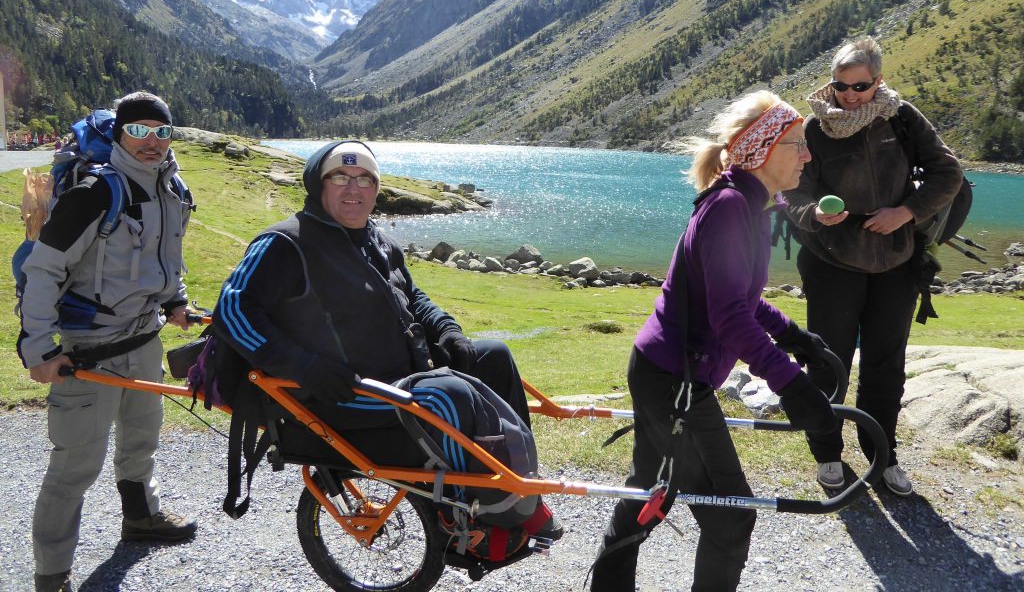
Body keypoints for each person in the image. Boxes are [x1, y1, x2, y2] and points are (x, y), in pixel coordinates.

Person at [211, 139, 560, 537]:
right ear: (318, 184)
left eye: (365, 179)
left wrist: (446, 329)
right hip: (341, 395)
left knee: (493, 356)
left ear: (377, 189)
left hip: (398, 380)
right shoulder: (285, 244)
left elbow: (411, 297)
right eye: (340, 176)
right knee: (449, 394)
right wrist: (303, 366)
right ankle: (459, 514)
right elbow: (232, 311)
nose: (353, 188)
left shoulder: (379, 240)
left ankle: (519, 490)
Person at [590, 91, 837, 591]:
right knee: (726, 515)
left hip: (668, 371)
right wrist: (792, 383)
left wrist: (796, 337)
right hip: (675, 380)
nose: (807, 155)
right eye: (798, 144)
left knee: (650, 491)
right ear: (764, 150)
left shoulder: (747, 205)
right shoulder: (729, 209)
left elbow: (739, 299)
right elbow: (729, 318)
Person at [17, 92, 199, 592]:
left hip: (144, 340)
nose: (151, 142)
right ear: (119, 133)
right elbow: (44, 268)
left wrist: (175, 303)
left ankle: (141, 519)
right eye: (139, 131)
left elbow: (169, 258)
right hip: (86, 349)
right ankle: (51, 577)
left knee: (141, 443)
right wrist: (37, 346)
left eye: (161, 132)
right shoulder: (96, 192)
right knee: (74, 467)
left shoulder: (174, 189)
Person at [784, 37, 963, 496]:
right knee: (828, 360)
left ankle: (883, 456)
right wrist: (816, 216)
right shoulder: (814, 129)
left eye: (860, 86)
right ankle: (827, 455)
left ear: (878, 80)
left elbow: (947, 172)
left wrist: (906, 212)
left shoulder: (901, 118)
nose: (850, 95)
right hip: (831, 261)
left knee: (887, 365)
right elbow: (792, 191)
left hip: (898, 262)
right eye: (841, 86)